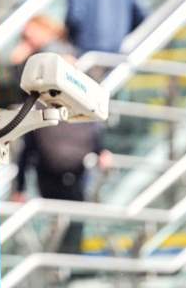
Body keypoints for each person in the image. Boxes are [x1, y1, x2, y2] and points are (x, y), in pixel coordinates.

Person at [12, 69, 112, 253]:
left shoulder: (83, 106)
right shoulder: (41, 110)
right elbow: (26, 152)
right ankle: (56, 267)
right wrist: (20, 188)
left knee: (75, 224)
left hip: (76, 175)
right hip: (49, 177)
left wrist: (102, 151)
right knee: (56, 225)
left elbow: (94, 135)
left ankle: (70, 267)